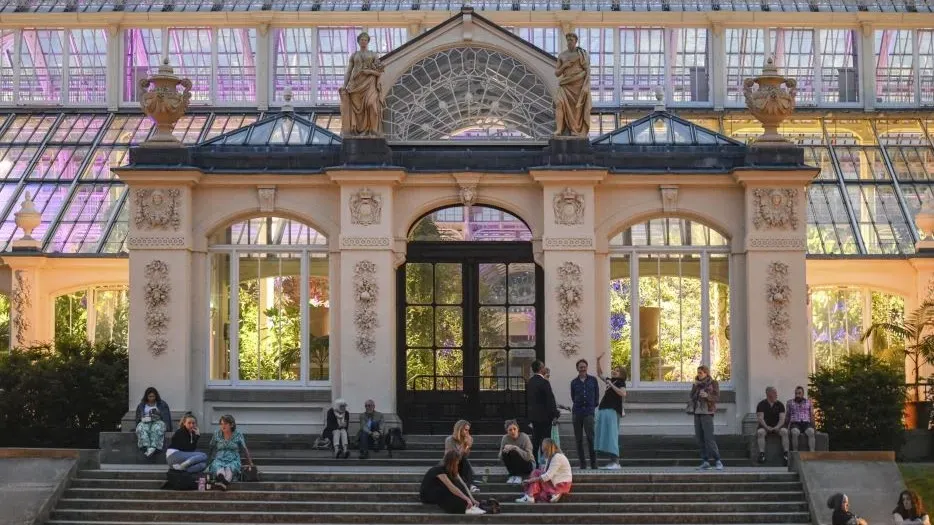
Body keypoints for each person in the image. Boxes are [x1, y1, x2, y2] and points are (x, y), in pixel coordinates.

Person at [339, 31, 384, 136]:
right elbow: (349, 71)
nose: (363, 41)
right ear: (358, 42)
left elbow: (379, 72)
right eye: (361, 40)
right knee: (358, 110)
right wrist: (344, 86)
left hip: (370, 83)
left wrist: (369, 71)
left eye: (365, 40)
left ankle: (373, 130)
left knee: (372, 105)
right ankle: (359, 131)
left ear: (368, 42)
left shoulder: (373, 55)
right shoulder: (354, 55)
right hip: (355, 85)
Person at [420, 450, 484, 515]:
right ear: (452, 461)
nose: (458, 463)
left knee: (459, 487)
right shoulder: (439, 469)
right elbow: (451, 487)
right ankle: (463, 508)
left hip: (440, 492)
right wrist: (467, 499)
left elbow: (463, 484)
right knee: (452, 493)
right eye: (457, 461)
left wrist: (472, 499)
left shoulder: (453, 470)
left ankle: (468, 506)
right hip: (429, 494)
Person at [554, 32, 592, 137]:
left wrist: (586, 86)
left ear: (576, 41)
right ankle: (559, 130)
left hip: (578, 85)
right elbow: (557, 73)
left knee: (576, 110)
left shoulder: (581, 54)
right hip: (565, 84)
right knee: (558, 103)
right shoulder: (562, 55)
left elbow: (587, 70)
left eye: (572, 40)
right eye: (568, 40)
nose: (569, 41)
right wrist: (564, 66)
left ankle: (575, 129)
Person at [515, 438, 572, 503]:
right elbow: (545, 472)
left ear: (547, 447)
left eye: (542, 445)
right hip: (556, 483)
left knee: (536, 473)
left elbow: (547, 476)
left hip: (561, 485)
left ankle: (530, 496)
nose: (541, 448)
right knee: (537, 474)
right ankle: (531, 496)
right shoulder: (551, 457)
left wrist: (530, 480)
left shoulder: (557, 457)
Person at [595, 353, 627, 470]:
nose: (615, 371)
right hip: (604, 409)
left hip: (613, 411)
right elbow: (599, 374)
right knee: (607, 435)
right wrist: (598, 361)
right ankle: (612, 461)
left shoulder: (620, 383)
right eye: (615, 369)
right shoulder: (611, 380)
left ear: (622, 374)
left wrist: (611, 385)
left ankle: (616, 461)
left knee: (612, 436)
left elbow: (623, 393)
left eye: (618, 371)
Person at [526, 360, 560, 469]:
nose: (545, 368)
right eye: (543, 367)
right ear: (541, 369)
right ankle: (545, 463)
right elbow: (550, 400)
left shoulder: (530, 382)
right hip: (545, 417)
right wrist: (555, 414)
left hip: (534, 417)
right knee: (545, 441)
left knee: (535, 441)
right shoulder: (544, 382)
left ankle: (535, 464)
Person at [689, 365, 723, 471]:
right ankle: (705, 461)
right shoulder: (696, 384)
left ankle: (718, 460)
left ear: (706, 373)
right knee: (699, 438)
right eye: (698, 372)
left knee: (709, 438)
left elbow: (717, 397)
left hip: (707, 412)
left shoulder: (713, 383)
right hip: (697, 412)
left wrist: (707, 396)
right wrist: (695, 388)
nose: (698, 374)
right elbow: (691, 396)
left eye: (701, 373)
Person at [207, 414, 252, 491]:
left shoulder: (238, 434)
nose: (223, 426)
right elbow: (211, 447)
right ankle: (222, 479)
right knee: (218, 466)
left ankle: (222, 482)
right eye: (221, 424)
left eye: (225, 424)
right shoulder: (217, 433)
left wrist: (250, 463)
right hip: (220, 458)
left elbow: (244, 448)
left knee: (230, 468)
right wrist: (208, 460)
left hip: (233, 458)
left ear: (231, 425)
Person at [570, 358, 599, 470]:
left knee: (591, 438)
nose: (582, 368)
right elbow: (573, 397)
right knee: (578, 440)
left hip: (589, 413)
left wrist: (592, 406)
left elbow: (597, 395)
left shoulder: (593, 380)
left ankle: (594, 464)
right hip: (577, 412)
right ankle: (582, 464)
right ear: (577, 368)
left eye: (584, 366)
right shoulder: (574, 382)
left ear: (587, 367)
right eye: (580, 367)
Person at [134, 387, 172, 457]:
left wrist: (158, 414)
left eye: (153, 396)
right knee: (141, 428)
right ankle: (147, 447)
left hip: (158, 421)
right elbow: (138, 417)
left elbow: (166, 416)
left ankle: (154, 447)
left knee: (157, 428)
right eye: (150, 396)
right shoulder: (142, 405)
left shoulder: (162, 404)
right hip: (145, 421)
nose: (151, 398)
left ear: (156, 396)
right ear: (146, 396)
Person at [756, 386, 789, 465]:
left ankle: (786, 454)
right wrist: (767, 427)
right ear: (768, 394)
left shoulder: (780, 404)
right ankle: (762, 454)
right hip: (765, 426)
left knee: (785, 431)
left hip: (778, 426)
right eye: (774, 393)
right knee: (760, 432)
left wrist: (777, 427)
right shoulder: (761, 404)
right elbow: (760, 418)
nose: (776, 395)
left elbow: (782, 419)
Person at [444, 420, 479, 493]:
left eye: (468, 430)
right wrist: (464, 446)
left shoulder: (467, 439)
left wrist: (468, 446)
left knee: (465, 460)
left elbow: (465, 455)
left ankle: (470, 485)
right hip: (451, 464)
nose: (467, 432)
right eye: (465, 430)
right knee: (463, 460)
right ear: (459, 429)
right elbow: (454, 456)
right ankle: (471, 485)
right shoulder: (450, 440)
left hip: (461, 463)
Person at [499, 419, 534, 484]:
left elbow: (528, 457)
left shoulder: (524, 437)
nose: (513, 431)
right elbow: (500, 457)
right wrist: (504, 450)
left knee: (514, 451)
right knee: (506, 452)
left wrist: (516, 448)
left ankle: (518, 476)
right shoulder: (505, 438)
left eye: (514, 429)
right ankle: (512, 476)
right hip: (513, 466)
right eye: (510, 430)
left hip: (527, 464)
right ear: (507, 431)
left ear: (518, 429)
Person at [787, 385, 817, 453]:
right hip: (795, 423)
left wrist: (814, 427)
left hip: (806, 423)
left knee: (811, 432)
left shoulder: (808, 402)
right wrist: (787, 427)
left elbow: (812, 415)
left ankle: (812, 453)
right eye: (796, 393)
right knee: (794, 432)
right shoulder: (790, 402)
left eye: (799, 393)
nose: (797, 395)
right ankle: (795, 452)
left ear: (803, 394)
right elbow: (787, 416)